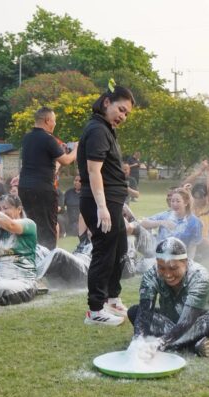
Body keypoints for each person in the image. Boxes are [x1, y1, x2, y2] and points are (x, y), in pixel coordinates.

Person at [78, 84, 135, 326]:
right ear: (106, 103)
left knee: (119, 248)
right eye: (121, 110)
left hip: (112, 202)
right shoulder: (98, 130)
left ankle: (112, 299)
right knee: (104, 253)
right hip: (100, 202)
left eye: (126, 114)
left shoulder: (106, 129)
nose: (123, 116)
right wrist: (102, 207)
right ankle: (95, 311)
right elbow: (94, 171)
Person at [128, 238, 209, 357]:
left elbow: (187, 321)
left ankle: (178, 342)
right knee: (134, 311)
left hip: (199, 322)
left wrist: (160, 343)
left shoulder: (201, 277)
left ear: (185, 262)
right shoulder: (151, 274)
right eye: (161, 268)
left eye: (173, 268)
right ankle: (192, 344)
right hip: (172, 322)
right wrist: (138, 341)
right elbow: (144, 313)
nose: (167, 274)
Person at [18, 107, 78, 250]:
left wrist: (58, 153)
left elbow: (45, 164)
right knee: (48, 228)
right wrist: (76, 149)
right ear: (47, 120)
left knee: (33, 226)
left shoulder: (27, 138)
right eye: (54, 121)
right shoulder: (48, 139)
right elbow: (66, 160)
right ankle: (49, 259)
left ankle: (34, 255)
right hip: (43, 189)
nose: (55, 124)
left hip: (25, 188)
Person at [140, 187, 203, 257]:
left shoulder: (194, 222)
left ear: (186, 203)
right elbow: (142, 224)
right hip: (160, 255)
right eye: (172, 201)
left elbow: (192, 247)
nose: (174, 204)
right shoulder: (165, 215)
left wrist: (189, 261)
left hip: (179, 257)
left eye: (178, 201)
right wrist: (161, 222)